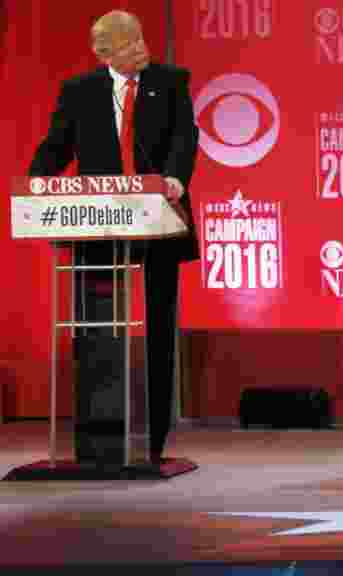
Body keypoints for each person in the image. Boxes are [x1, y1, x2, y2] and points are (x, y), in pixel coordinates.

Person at [29, 10, 199, 465]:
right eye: (127, 45)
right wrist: (37, 185)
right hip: (98, 223)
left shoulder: (171, 80)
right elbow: (57, 145)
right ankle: (98, 436)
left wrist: (175, 180)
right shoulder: (79, 91)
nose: (139, 49)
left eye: (140, 40)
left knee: (159, 325)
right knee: (96, 324)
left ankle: (155, 439)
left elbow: (185, 137)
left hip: (159, 218)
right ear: (102, 53)